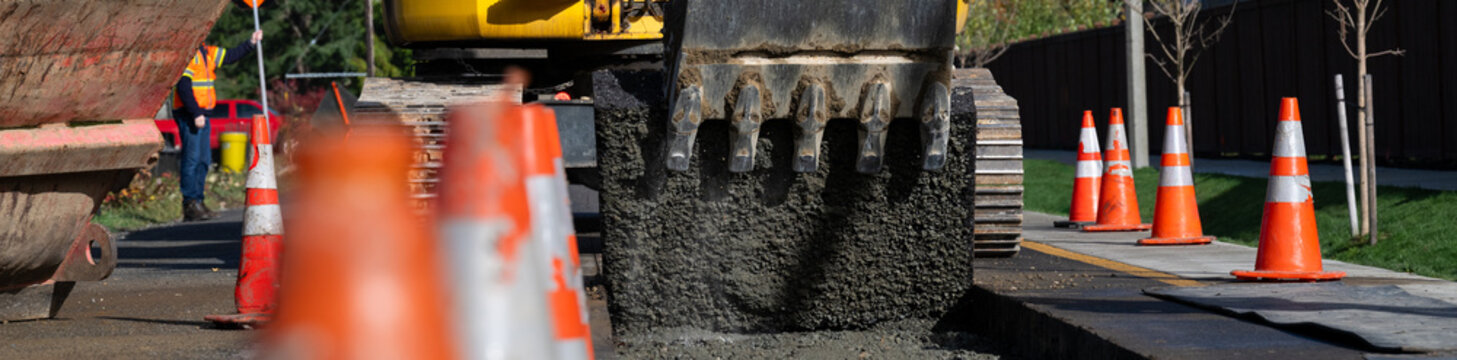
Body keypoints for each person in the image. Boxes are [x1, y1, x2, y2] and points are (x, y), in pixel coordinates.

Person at [174, 30, 263, 221]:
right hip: (191, 114)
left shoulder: (207, 52)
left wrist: (250, 43)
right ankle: (190, 204)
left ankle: (198, 201)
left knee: (204, 160)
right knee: (192, 160)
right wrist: (196, 112)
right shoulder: (189, 54)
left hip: (202, 115)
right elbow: (183, 86)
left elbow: (230, 56)